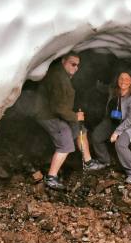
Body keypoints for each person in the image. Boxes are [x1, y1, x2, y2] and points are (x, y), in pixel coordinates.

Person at [35, 52, 102, 190]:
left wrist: (74, 117)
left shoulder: (63, 75)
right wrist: (75, 116)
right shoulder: (58, 78)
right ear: (63, 61)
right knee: (65, 141)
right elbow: (57, 107)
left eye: (77, 65)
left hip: (57, 113)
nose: (76, 67)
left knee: (81, 130)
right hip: (48, 115)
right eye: (73, 64)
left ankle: (88, 162)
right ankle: (51, 177)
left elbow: (61, 105)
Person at [91, 71, 131, 184]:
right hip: (114, 119)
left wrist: (117, 132)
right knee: (96, 136)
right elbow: (105, 88)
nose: (123, 81)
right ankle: (104, 161)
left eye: (126, 79)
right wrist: (96, 84)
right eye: (121, 78)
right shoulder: (114, 89)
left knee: (120, 144)